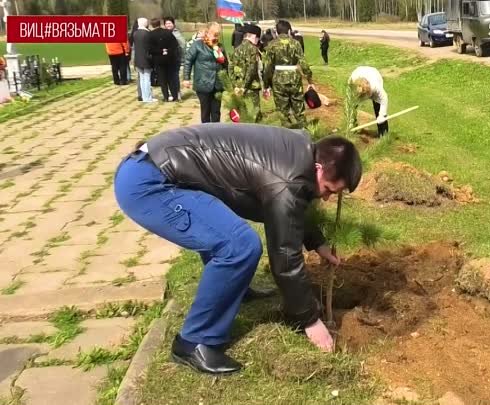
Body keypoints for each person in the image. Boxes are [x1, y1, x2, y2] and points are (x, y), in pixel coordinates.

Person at [114, 123, 363, 373]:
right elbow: (285, 258)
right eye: (329, 189)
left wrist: (317, 242)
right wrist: (310, 320)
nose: (328, 197)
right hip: (150, 184)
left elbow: (292, 210)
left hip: (159, 166)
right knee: (240, 245)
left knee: (232, 238)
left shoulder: (300, 153)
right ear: (318, 169)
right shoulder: (288, 176)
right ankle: (195, 341)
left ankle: (236, 289)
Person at [263, 20, 314, 128]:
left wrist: (266, 85)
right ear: (289, 31)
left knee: (283, 113)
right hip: (294, 79)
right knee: (299, 111)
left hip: (278, 81)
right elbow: (304, 63)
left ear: (276, 32)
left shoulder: (272, 45)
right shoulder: (296, 43)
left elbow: (267, 67)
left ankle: (286, 137)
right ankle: (304, 133)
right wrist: (310, 80)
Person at [184, 22, 228, 123]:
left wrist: (228, 82)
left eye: (218, 34)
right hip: (203, 82)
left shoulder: (219, 47)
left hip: (217, 84)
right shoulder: (197, 45)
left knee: (216, 112)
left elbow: (226, 64)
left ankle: (215, 133)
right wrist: (186, 78)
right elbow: (188, 61)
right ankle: (205, 133)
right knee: (205, 111)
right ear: (207, 33)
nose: (216, 36)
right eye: (214, 34)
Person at [230, 24, 264, 123]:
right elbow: (252, 70)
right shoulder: (253, 49)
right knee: (254, 115)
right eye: (258, 37)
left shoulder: (237, 49)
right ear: (252, 36)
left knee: (242, 114)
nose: (258, 40)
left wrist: (235, 85)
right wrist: (244, 87)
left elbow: (231, 68)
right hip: (251, 88)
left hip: (238, 87)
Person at [349, 66, 389, 136]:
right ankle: (352, 126)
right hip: (359, 72)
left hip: (373, 73)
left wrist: (382, 115)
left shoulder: (376, 86)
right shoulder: (352, 85)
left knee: (378, 106)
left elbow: (384, 99)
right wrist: (351, 121)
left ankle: (383, 134)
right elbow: (350, 103)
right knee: (353, 105)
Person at [148, 18, 179, 102]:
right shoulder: (168, 32)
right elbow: (175, 45)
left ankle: (166, 96)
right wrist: (167, 51)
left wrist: (160, 51)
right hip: (169, 58)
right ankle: (175, 96)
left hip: (158, 59)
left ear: (152, 25)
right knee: (171, 78)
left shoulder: (150, 35)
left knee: (162, 79)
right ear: (160, 24)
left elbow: (150, 49)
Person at [133, 18, 155, 103]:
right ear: (145, 24)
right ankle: (148, 97)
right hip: (146, 59)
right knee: (147, 79)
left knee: (142, 79)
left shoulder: (135, 33)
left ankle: (144, 96)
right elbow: (150, 47)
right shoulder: (147, 33)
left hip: (138, 58)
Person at [164, 17, 186, 101]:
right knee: (167, 77)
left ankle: (177, 93)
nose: (168, 25)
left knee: (175, 77)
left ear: (173, 24)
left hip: (175, 59)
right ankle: (171, 93)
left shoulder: (176, 33)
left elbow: (183, 45)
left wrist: (183, 59)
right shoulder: (164, 33)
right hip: (166, 59)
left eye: (170, 23)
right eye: (166, 23)